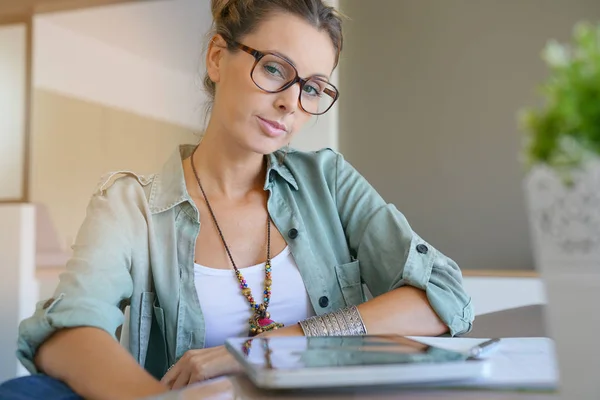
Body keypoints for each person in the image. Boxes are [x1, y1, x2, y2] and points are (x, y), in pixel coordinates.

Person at [0, 0, 474, 399]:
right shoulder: (132, 206)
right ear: (216, 57)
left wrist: (266, 346)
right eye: (274, 69)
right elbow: (65, 332)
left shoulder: (328, 181)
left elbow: (444, 297)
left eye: (312, 87)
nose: (291, 102)